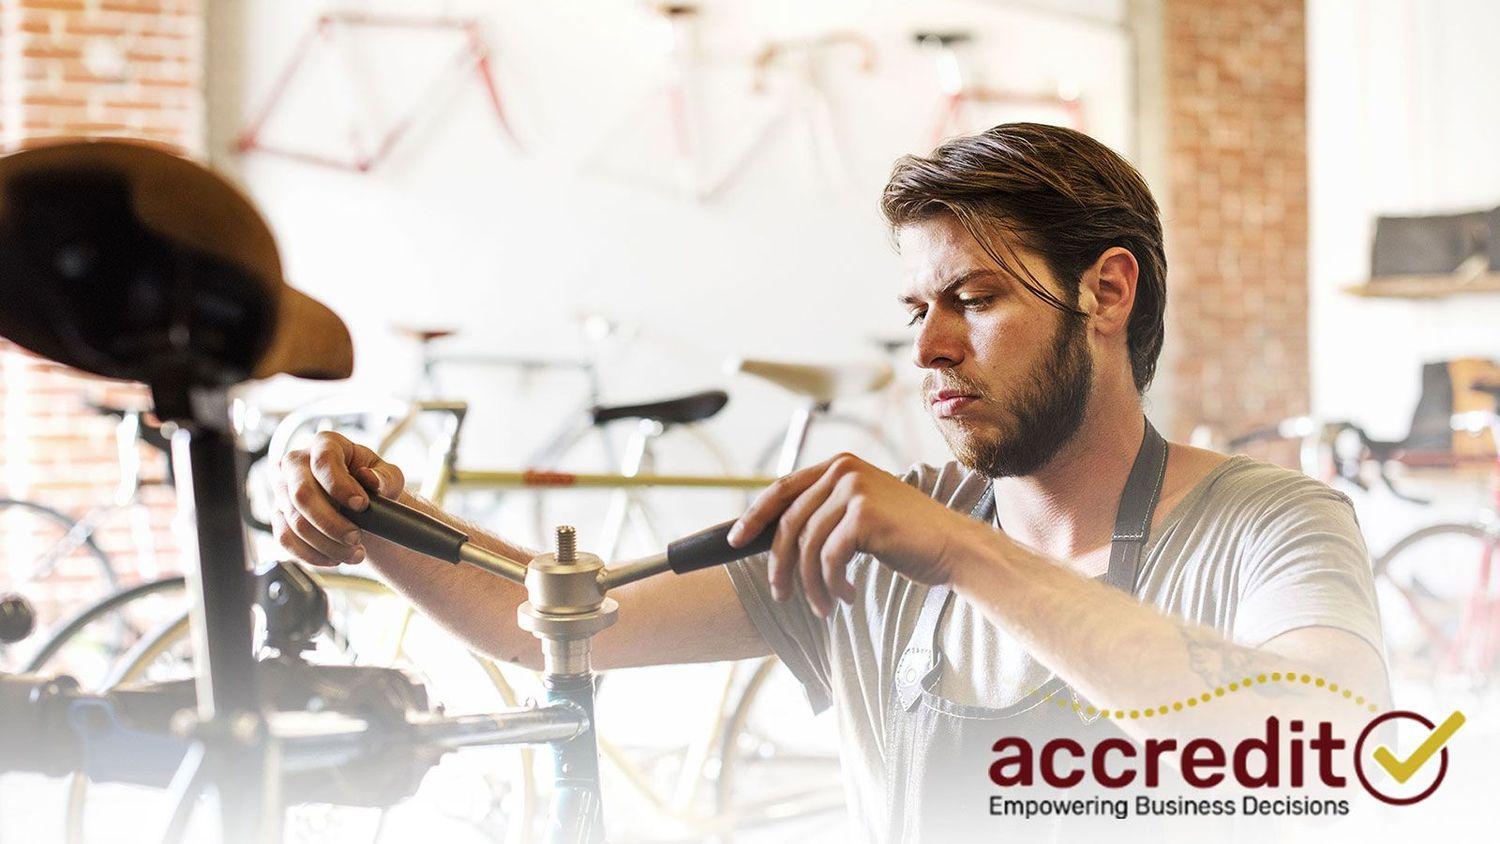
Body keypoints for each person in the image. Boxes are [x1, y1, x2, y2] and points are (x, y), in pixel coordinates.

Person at [272, 123, 1390, 840]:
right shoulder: (869, 544)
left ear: (1106, 292)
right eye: (918, 311)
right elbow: (557, 625)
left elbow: (1335, 750)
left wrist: (965, 551)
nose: (930, 351)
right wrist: (365, 507)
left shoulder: (1273, 525)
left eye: (977, 299)